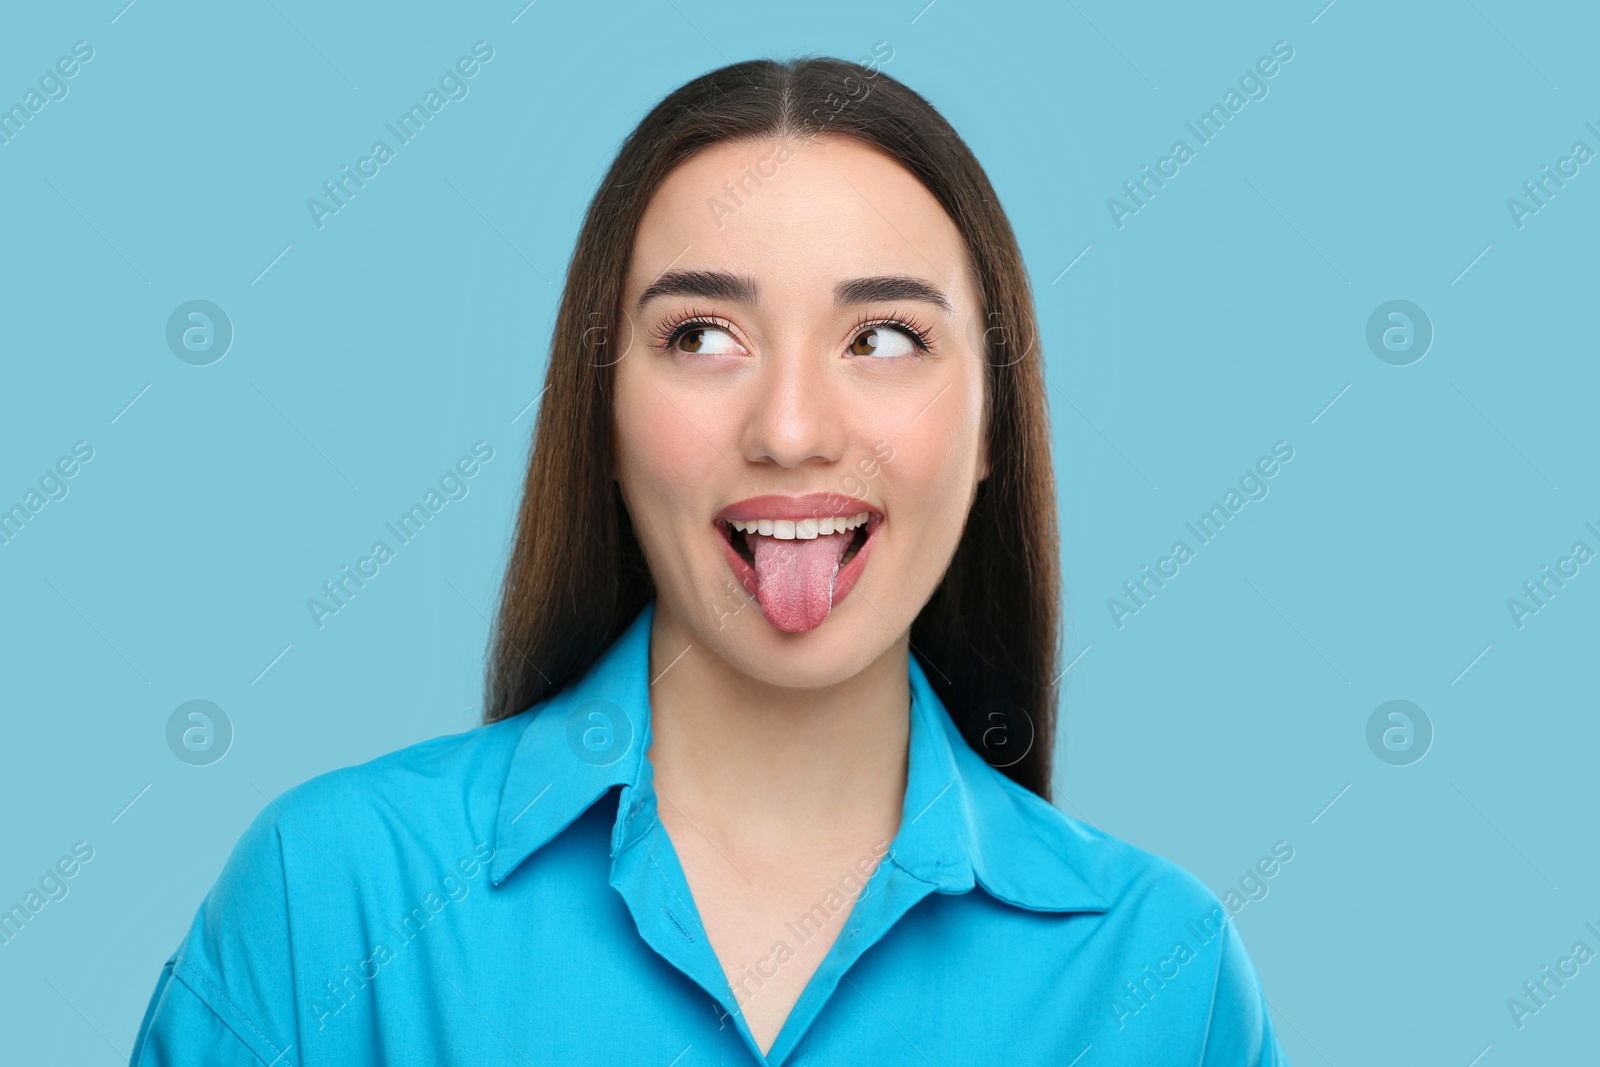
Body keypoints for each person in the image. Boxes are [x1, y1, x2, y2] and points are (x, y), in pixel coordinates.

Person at [130, 52, 1289, 1065]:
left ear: (991, 426)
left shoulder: (1160, 975)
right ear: (606, 414)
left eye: (884, 336)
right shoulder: (327, 899)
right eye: (702, 335)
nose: (789, 427)